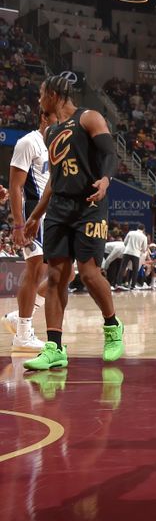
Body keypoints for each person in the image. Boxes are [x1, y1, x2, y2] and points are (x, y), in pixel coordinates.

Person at [22, 75, 125, 370]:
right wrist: (36, 214)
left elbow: (109, 152)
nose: (39, 99)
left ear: (54, 94)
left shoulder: (88, 117)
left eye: (42, 93)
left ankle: (112, 326)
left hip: (89, 204)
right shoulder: (51, 131)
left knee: (90, 273)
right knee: (56, 275)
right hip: (59, 207)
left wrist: (105, 180)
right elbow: (53, 181)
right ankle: (54, 346)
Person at [0, 109, 56, 349]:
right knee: (35, 269)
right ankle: (23, 333)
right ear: (44, 117)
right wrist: (19, 223)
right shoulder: (28, 142)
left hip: (53, 215)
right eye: (58, 118)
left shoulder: (56, 147)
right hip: (34, 214)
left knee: (65, 274)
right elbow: (16, 186)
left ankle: (20, 316)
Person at [116, 223, 148, 290]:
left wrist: (129, 247)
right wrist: (139, 250)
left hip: (127, 252)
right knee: (135, 270)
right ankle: (133, 286)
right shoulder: (144, 237)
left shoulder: (130, 232)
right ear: (143, 229)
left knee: (122, 267)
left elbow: (124, 242)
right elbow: (144, 249)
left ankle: (118, 284)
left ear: (137, 227)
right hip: (136, 254)